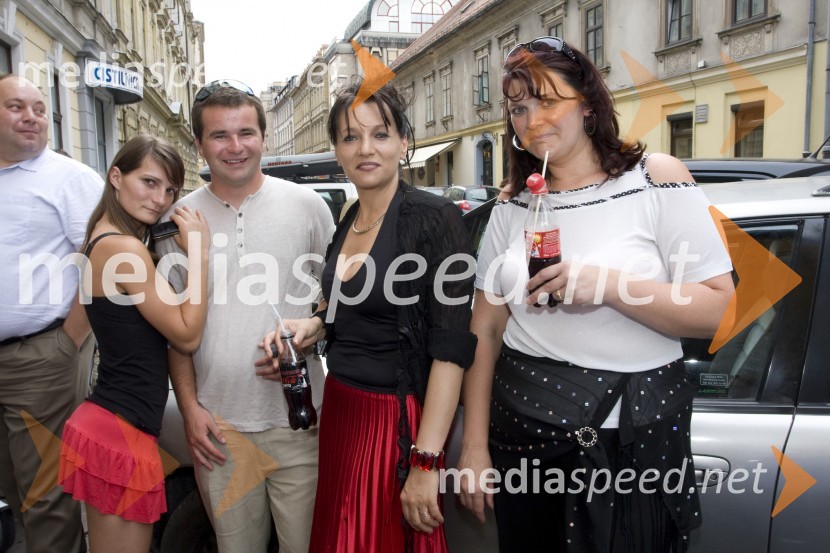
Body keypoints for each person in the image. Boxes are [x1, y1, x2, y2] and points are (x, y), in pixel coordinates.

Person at [456, 37, 735, 553]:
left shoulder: (656, 180)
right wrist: (474, 447)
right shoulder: (513, 207)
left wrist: (608, 286)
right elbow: (486, 330)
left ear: (587, 104)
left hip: (630, 443)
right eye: (518, 107)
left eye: (547, 100)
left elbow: (719, 310)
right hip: (523, 440)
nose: (532, 118)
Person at [263, 79, 477, 553]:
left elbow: (450, 350)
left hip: (395, 426)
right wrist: (315, 324)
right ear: (337, 149)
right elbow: (349, 306)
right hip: (341, 412)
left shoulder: (435, 219)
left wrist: (425, 462)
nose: (365, 148)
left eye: (380, 134)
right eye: (350, 137)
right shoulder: (349, 218)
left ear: (404, 142)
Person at [155, 80, 334, 553]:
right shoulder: (177, 220)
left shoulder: (309, 207)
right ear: (198, 144)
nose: (235, 147)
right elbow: (175, 331)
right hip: (219, 431)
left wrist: (312, 331)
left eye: (246, 133)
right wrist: (190, 409)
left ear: (264, 135)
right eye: (219, 135)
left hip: (300, 423)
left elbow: (336, 301)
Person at [57, 134, 210, 552]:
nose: (160, 199)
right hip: (118, 429)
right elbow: (187, 334)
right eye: (149, 182)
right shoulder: (122, 248)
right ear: (116, 177)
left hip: (115, 423)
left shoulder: (105, 237)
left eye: (170, 189)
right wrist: (198, 252)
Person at [0, 74, 102, 553]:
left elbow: (107, 258)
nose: (33, 117)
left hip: (39, 358)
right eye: (16, 107)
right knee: (13, 490)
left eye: (40, 108)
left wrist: (69, 339)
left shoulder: (69, 178)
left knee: (46, 497)